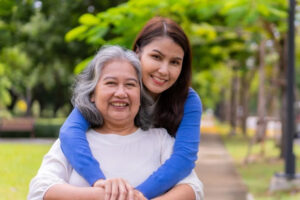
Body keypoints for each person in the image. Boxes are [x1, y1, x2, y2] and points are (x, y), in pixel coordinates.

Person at [28, 45, 204, 200]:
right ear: (92, 95)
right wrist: (102, 195)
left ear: (141, 97)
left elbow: (193, 189)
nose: (121, 93)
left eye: (130, 85)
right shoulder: (75, 143)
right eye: (111, 83)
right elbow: (39, 190)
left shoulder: (160, 139)